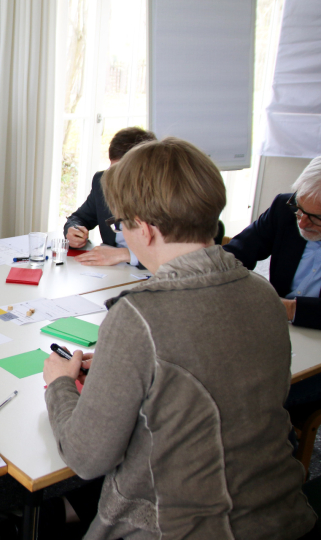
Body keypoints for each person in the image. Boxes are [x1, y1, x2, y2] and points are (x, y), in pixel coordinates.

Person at [43, 137, 317, 539]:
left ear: (147, 229)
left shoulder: (138, 314)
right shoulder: (265, 297)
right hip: (284, 516)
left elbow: (86, 457)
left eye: (121, 224)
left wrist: (61, 385)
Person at [224, 157, 321, 330]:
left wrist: (287, 308)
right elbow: (235, 253)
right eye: (299, 208)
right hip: (278, 326)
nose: (302, 223)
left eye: (316, 217)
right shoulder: (283, 208)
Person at [64, 127, 156, 266]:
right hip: (111, 271)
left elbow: (176, 255)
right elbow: (79, 218)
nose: (115, 178)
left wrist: (125, 255)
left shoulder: (163, 195)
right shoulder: (103, 181)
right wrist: (73, 232)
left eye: (122, 172)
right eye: (113, 169)